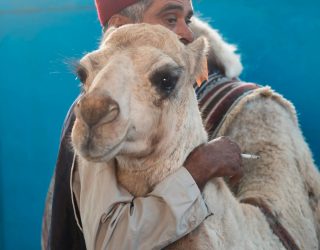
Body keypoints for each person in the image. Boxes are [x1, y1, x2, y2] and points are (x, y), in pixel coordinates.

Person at [42, 0, 320, 249]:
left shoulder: (238, 105)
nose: (187, 32)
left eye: (186, 20)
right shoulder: (100, 113)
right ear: (119, 28)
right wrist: (199, 169)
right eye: (170, 19)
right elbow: (110, 240)